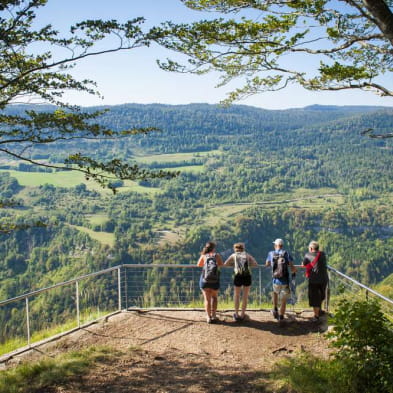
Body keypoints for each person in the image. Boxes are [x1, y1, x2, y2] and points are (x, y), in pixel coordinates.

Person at [224, 242, 258, 321]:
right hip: (247, 276)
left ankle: (236, 314)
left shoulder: (234, 255)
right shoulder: (247, 255)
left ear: (235, 249)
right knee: (245, 296)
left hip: (238, 276)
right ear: (243, 248)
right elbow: (255, 264)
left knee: (237, 295)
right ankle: (243, 315)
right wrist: (249, 265)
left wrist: (233, 265)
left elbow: (225, 264)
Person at [265, 238, 296, 322]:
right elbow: (292, 266)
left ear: (276, 245)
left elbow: (267, 264)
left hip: (275, 279)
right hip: (285, 280)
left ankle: (275, 309)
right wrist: (294, 271)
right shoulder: (286, 253)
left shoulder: (271, 253)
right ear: (282, 246)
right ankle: (281, 317)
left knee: (275, 293)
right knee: (283, 300)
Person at [197, 241, 224, 323]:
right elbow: (221, 264)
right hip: (215, 280)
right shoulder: (217, 255)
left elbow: (199, 265)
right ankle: (214, 315)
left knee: (207, 299)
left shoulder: (204, 256)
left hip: (205, 280)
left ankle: (208, 317)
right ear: (213, 248)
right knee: (214, 297)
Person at [302, 240, 329, 322]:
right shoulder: (323, 254)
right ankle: (319, 310)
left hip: (314, 280)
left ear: (311, 248)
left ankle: (316, 316)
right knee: (321, 296)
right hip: (324, 279)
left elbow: (304, 264)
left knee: (314, 298)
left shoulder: (308, 255)